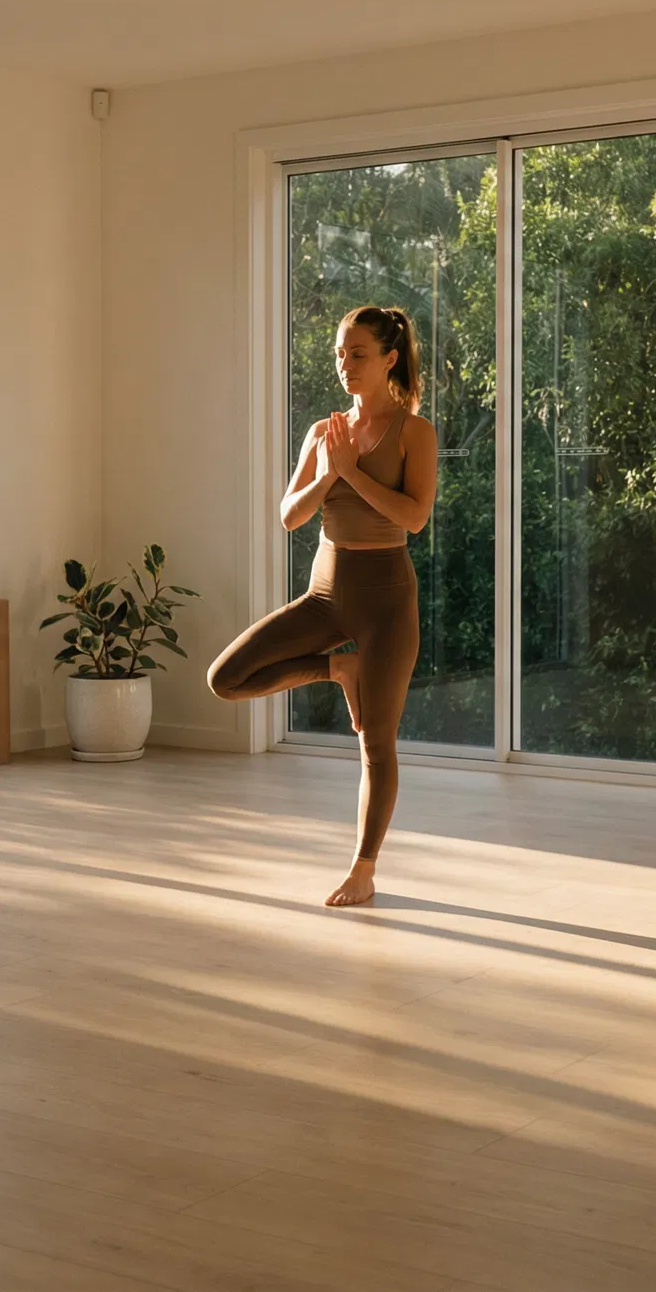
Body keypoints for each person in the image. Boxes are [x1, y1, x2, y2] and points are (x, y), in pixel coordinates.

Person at [207, 305, 438, 907]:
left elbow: (414, 517)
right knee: (226, 678)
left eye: (357, 353)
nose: (345, 364)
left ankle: (363, 869)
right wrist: (328, 473)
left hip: (388, 603)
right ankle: (338, 668)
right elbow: (290, 516)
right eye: (339, 353)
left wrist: (351, 474)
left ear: (390, 357)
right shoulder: (322, 432)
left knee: (376, 742)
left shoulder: (415, 433)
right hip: (325, 597)